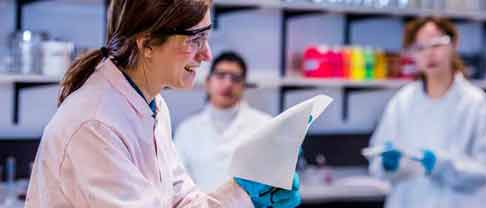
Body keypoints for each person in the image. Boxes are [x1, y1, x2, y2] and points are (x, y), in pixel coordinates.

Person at [24, 0, 301, 207]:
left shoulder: (153, 104)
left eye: (207, 36)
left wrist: (246, 191)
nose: (207, 54)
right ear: (147, 44)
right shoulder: (95, 125)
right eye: (195, 39)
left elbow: (183, 202)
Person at [368, 17, 486, 208]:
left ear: (453, 44)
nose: (429, 54)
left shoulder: (475, 103)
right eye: (420, 48)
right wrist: (387, 164)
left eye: (436, 44)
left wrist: (442, 165)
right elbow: (377, 163)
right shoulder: (402, 101)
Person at [174, 51, 273, 192]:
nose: (228, 83)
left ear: (244, 86)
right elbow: (177, 184)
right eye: (221, 76)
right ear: (208, 82)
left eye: (235, 78)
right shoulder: (186, 130)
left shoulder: (264, 126)